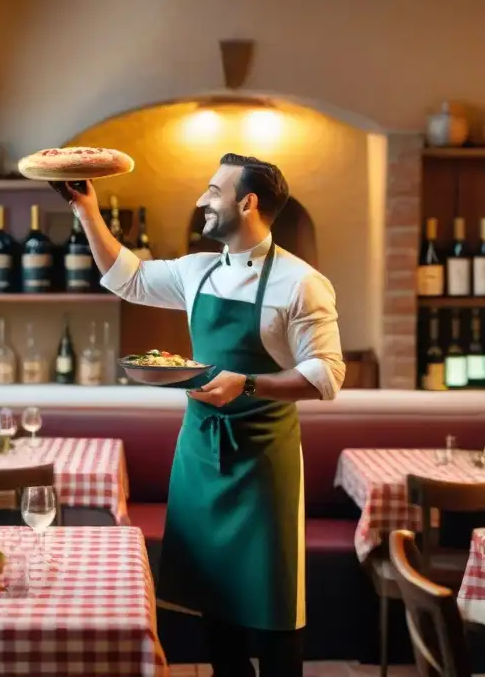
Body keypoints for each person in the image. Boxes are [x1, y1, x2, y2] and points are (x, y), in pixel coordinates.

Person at [67, 152, 344, 677]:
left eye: (213, 191)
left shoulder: (301, 283)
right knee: (214, 600)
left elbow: (327, 375)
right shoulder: (196, 271)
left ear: (248, 202)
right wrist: (88, 211)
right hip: (198, 450)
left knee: (274, 604)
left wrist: (249, 383)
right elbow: (126, 277)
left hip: (264, 459)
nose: (202, 201)